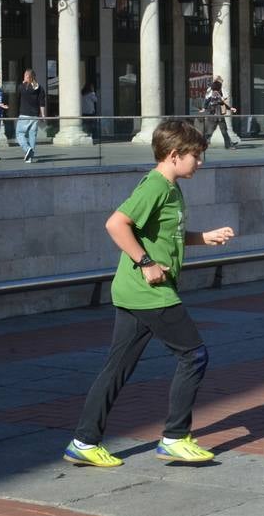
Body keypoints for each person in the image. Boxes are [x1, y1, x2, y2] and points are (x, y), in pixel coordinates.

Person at [63, 120, 235, 468]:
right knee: (194, 355)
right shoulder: (156, 186)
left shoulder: (170, 188)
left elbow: (164, 234)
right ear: (174, 155)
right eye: (196, 156)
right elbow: (116, 224)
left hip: (135, 292)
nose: (200, 163)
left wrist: (205, 237)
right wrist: (146, 263)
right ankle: (174, 437)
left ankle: (84, 442)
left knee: (117, 368)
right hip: (150, 292)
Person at [15, 68, 45, 163]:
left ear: (27, 76)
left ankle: (27, 149)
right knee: (32, 135)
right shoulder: (39, 88)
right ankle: (30, 158)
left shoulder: (22, 87)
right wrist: (43, 115)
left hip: (24, 114)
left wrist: (23, 83)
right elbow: (42, 103)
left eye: (25, 75)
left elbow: (17, 98)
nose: (24, 77)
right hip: (35, 115)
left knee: (19, 133)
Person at [201, 78, 237, 150]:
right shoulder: (216, 93)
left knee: (212, 132)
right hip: (217, 115)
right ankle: (228, 145)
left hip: (215, 115)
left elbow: (207, 101)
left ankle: (228, 144)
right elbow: (220, 103)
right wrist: (230, 108)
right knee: (220, 131)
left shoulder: (212, 93)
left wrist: (204, 108)